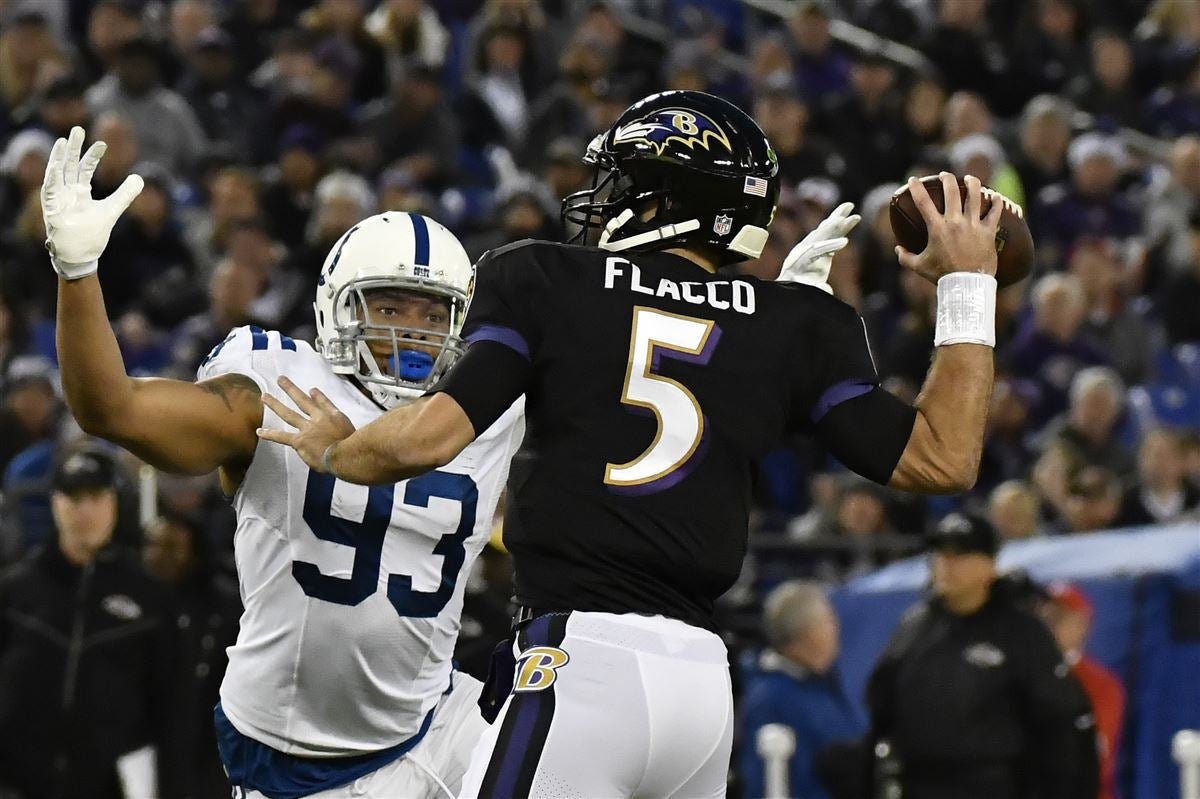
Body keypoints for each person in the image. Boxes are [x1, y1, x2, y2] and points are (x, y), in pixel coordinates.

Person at [263, 88, 1011, 797]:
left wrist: (338, 448)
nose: (608, 199)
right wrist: (967, 284)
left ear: (664, 197)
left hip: (582, 664)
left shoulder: (545, 277)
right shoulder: (793, 323)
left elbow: (427, 437)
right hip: (702, 688)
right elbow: (942, 459)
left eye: (625, 183)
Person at [40, 125, 524, 798]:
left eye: (431, 313)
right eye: (388, 305)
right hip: (297, 752)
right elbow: (112, 411)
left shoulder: (491, 404)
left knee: (579, 736)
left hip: (435, 720)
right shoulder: (277, 382)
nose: (411, 331)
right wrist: (78, 274)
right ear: (337, 305)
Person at [867, 512, 1099, 799]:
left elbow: (1060, 726)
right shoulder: (913, 627)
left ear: (989, 565)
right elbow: (881, 712)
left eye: (961, 554)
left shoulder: (1022, 633)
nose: (947, 564)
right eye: (940, 553)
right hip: (918, 786)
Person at [0, 447, 172, 799]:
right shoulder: (16, 590)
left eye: (96, 496)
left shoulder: (149, 597)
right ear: (54, 503)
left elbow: (170, 705)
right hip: (20, 782)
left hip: (112, 784)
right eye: (73, 497)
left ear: (113, 503)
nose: (85, 510)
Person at [738, 581, 866, 799]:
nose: (836, 628)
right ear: (805, 632)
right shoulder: (772, 700)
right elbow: (765, 786)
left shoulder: (821, 685)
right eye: (828, 620)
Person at [1041, 582, 1125, 799]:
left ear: (1082, 625)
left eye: (1058, 618)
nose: (1048, 627)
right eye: (1043, 618)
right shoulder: (1021, 675)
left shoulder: (1101, 684)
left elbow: (1095, 752)